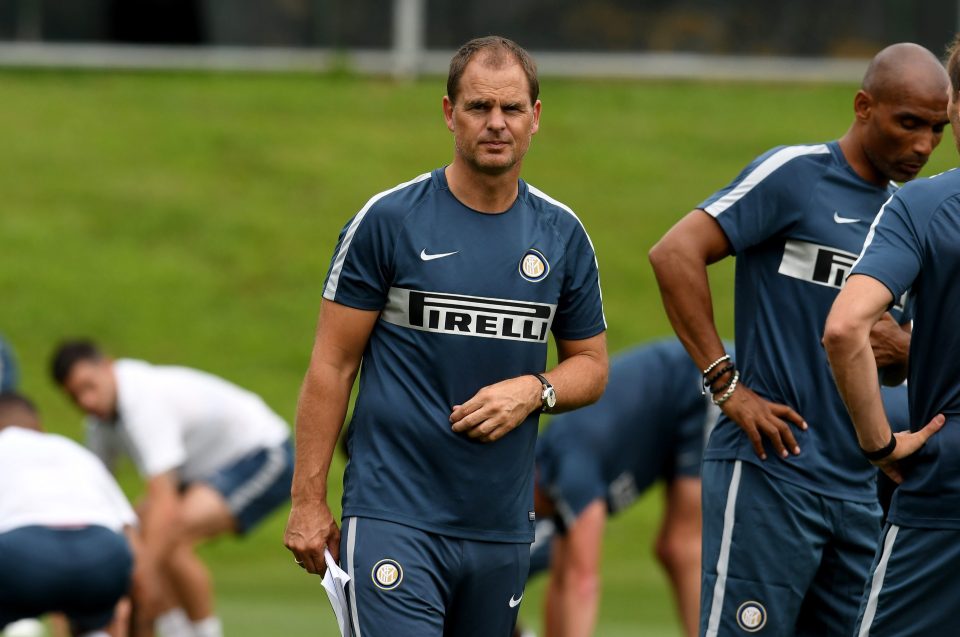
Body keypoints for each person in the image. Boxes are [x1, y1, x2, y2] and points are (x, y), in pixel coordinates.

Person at [283, 36, 608, 637]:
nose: (496, 123)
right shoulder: (389, 220)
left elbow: (590, 365)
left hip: (502, 527)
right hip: (393, 514)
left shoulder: (562, 235)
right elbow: (331, 365)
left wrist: (534, 390)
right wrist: (308, 499)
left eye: (511, 109)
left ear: (535, 118)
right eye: (478, 107)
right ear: (448, 113)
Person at [648, 42, 948, 636]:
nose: (923, 146)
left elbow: (890, 359)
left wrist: (901, 351)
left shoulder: (904, 220)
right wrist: (725, 383)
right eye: (908, 123)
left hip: (861, 492)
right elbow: (675, 253)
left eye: (937, 130)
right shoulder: (797, 174)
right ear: (864, 106)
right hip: (770, 476)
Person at [822, 35, 960, 637]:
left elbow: (845, 327)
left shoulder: (925, 206)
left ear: (954, 107)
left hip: (944, 490)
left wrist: (879, 445)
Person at [50, 341, 294, 637]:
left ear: (108, 366)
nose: (86, 401)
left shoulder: (142, 400)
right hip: (201, 471)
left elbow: (164, 502)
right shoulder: (99, 423)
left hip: (263, 454)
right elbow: (98, 499)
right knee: (142, 536)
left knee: (170, 531)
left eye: (89, 386)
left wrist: (139, 582)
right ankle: (176, 630)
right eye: (76, 396)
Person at [531, 338, 730, 637]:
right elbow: (563, 581)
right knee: (670, 548)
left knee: (682, 546)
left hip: (705, 380)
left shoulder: (572, 472)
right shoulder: (552, 481)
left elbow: (582, 582)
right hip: (680, 396)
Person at [0, 392, 136, 637]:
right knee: (92, 618)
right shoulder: (73, 451)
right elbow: (130, 533)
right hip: (102, 552)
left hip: (20, 554)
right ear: (38, 426)